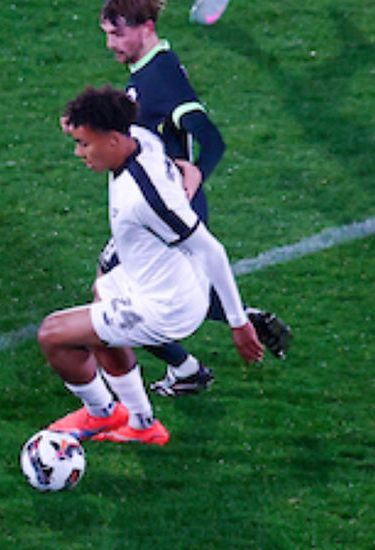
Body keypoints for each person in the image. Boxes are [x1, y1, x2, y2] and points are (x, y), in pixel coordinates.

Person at [41, 85, 264, 445]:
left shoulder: (144, 199)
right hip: (156, 275)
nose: (78, 152)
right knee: (100, 300)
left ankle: (102, 413)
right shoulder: (141, 136)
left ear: (113, 140)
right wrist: (77, 121)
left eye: (84, 143)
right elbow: (126, 114)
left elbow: (211, 251)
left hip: (166, 308)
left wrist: (239, 324)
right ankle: (143, 424)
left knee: (53, 335)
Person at [94, 0, 292, 398]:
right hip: (159, 205)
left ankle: (183, 371)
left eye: (117, 34)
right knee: (144, 293)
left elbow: (211, 138)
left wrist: (198, 171)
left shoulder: (161, 76)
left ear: (146, 27)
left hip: (165, 211)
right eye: (107, 35)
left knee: (110, 296)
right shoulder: (147, 70)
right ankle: (241, 321)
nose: (111, 44)